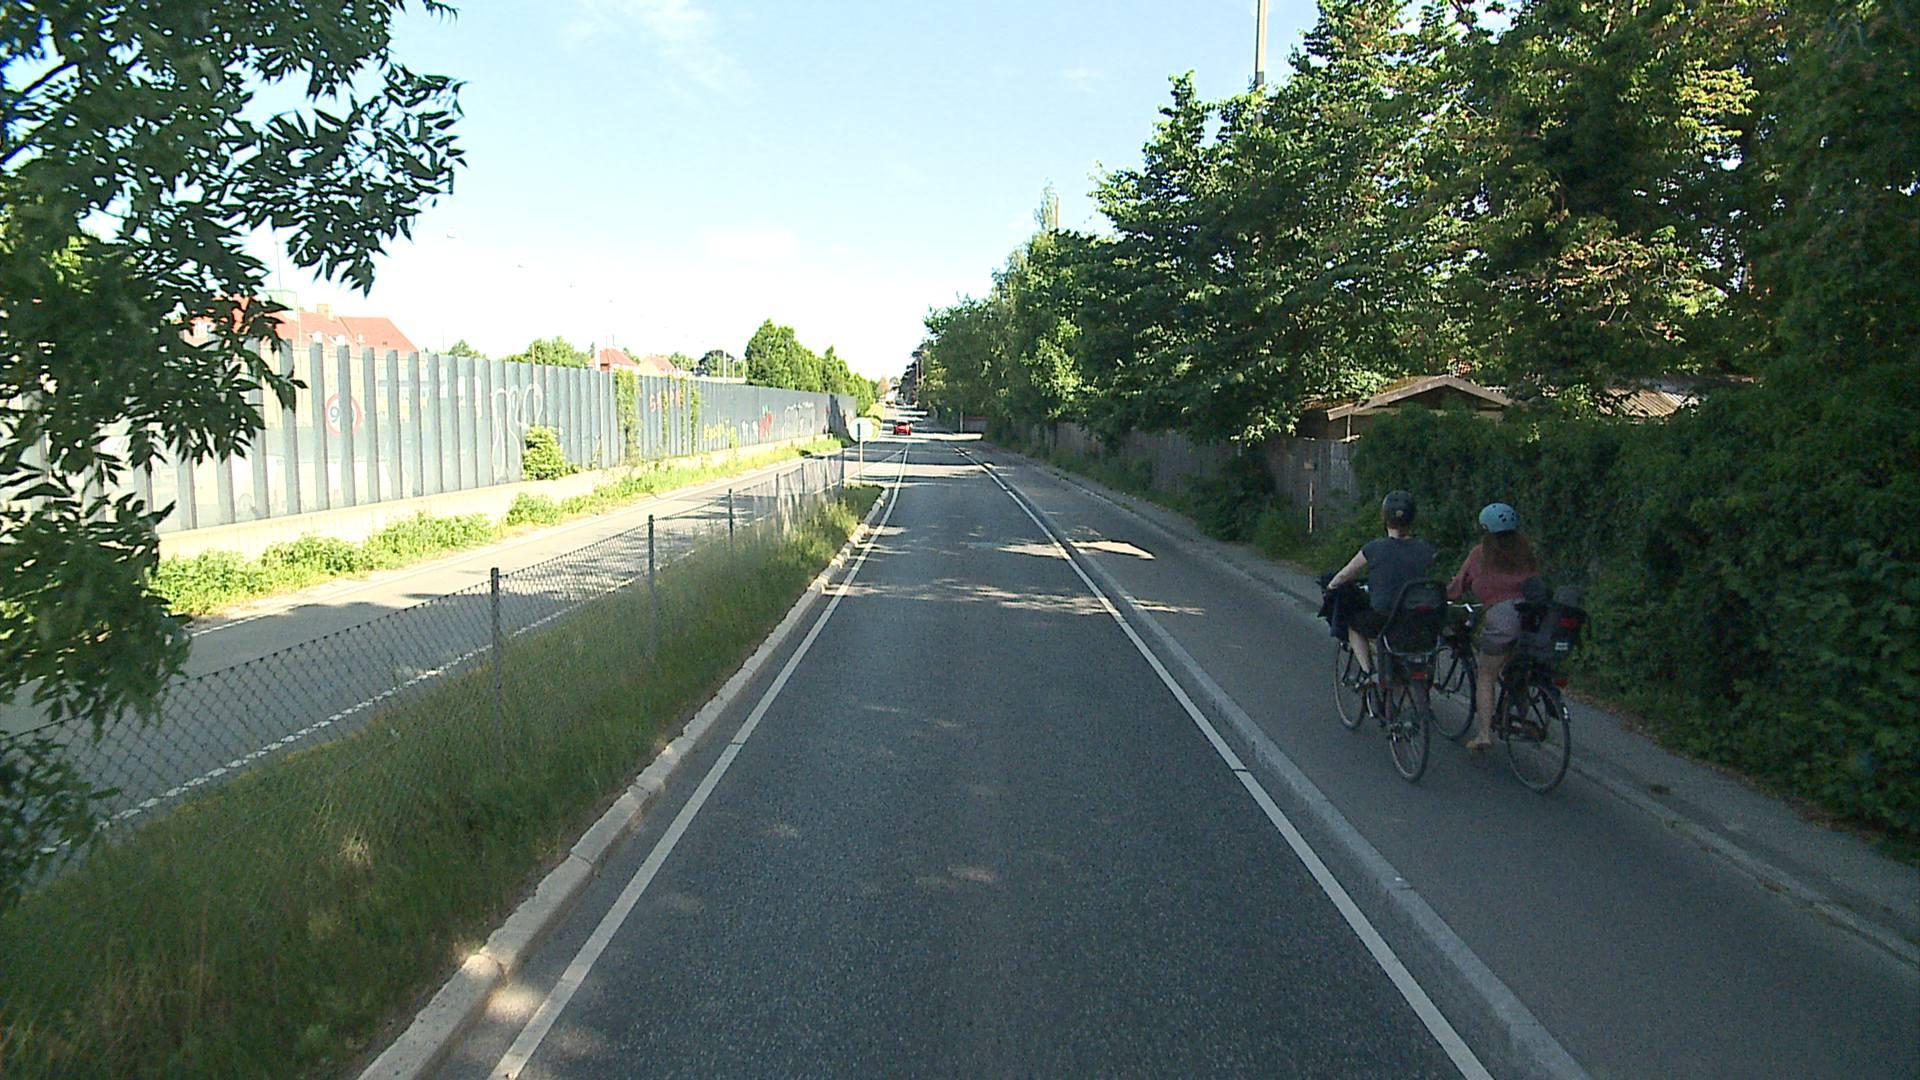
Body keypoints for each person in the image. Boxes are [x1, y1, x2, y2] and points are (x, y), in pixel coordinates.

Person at [1447, 502, 1541, 751]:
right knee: (1515, 665)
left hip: (1503, 619)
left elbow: (1458, 587)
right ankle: (1519, 713)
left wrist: (1444, 594)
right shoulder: (1527, 554)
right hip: (1533, 620)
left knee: (1486, 674)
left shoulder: (1480, 555)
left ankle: (1484, 734)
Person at [1324, 490, 1436, 689]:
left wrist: (1331, 586)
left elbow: (1345, 575)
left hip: (1384, 618)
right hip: (1416, 617)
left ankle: (1369, 672)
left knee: (1353, 625)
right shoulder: (1426, 550)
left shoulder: (1374, 548)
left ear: (1384, 518)